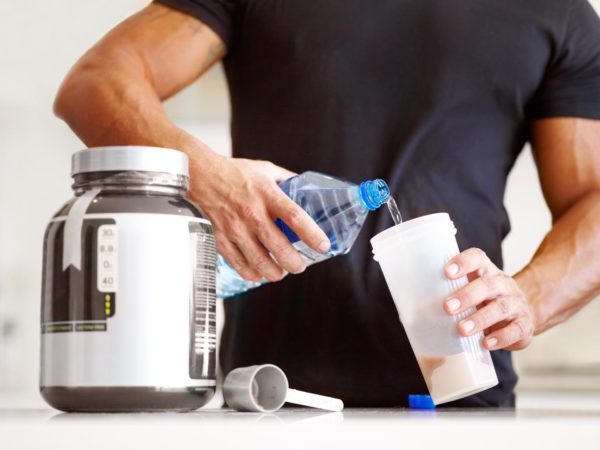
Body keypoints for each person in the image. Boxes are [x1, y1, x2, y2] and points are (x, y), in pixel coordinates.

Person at [53, 0, 600, 407]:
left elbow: (593, 200)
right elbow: (95, 82)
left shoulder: (555, 11)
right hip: (271, 401)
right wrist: (207, 178)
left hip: (461, 406)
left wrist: (526, 298)